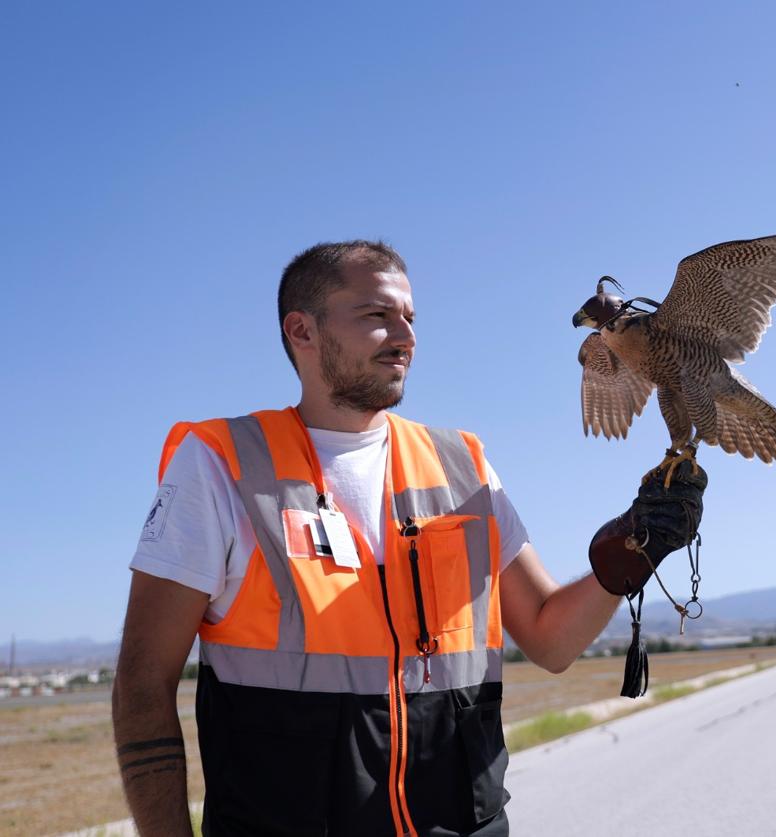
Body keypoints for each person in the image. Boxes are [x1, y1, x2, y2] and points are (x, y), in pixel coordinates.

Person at [112, 240, 705, 836]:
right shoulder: (222, 465)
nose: (405, 335)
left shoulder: (461, 465)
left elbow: (551, 640)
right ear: (302, 331)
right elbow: (143, 681)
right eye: (377, 315)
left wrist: (631, 553)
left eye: (410, 318)